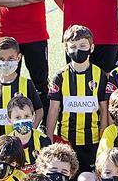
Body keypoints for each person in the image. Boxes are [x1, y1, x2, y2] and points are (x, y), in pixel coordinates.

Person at [45, 25, 110, 173]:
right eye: (73, 46)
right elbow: (54, 109)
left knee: (91, 178)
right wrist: (49, 140)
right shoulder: (60, 76)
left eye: (83, 46)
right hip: (67, 140)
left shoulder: (99, 75)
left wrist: (104, 136)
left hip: (92, 140)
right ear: (66, 49)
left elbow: (104, 109)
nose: (78, 50)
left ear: (91, 47)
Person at [0, 38, 44, 141]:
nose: (6, 63)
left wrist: (29, 133)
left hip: (23, 144)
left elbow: (39, 111)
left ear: (19, 57)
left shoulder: (27, 84)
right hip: (1, 145)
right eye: (1, 59)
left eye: (10, 58)